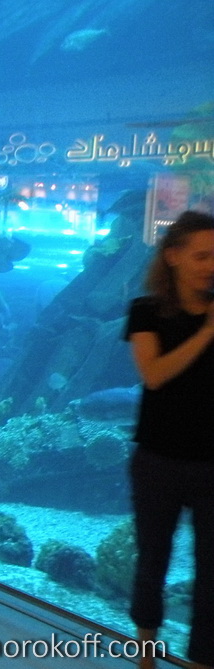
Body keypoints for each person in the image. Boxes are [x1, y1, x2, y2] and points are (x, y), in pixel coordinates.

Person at [124, 210, 214, 669]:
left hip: (212, 464)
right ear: (173, 256)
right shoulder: (146, 310)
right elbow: (154, 374)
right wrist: (209, 332)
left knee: (212, 572)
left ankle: (203, 659)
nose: (211, 266)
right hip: (157, 461)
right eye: (201, 256)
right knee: (152, 560)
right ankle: (146, 656)